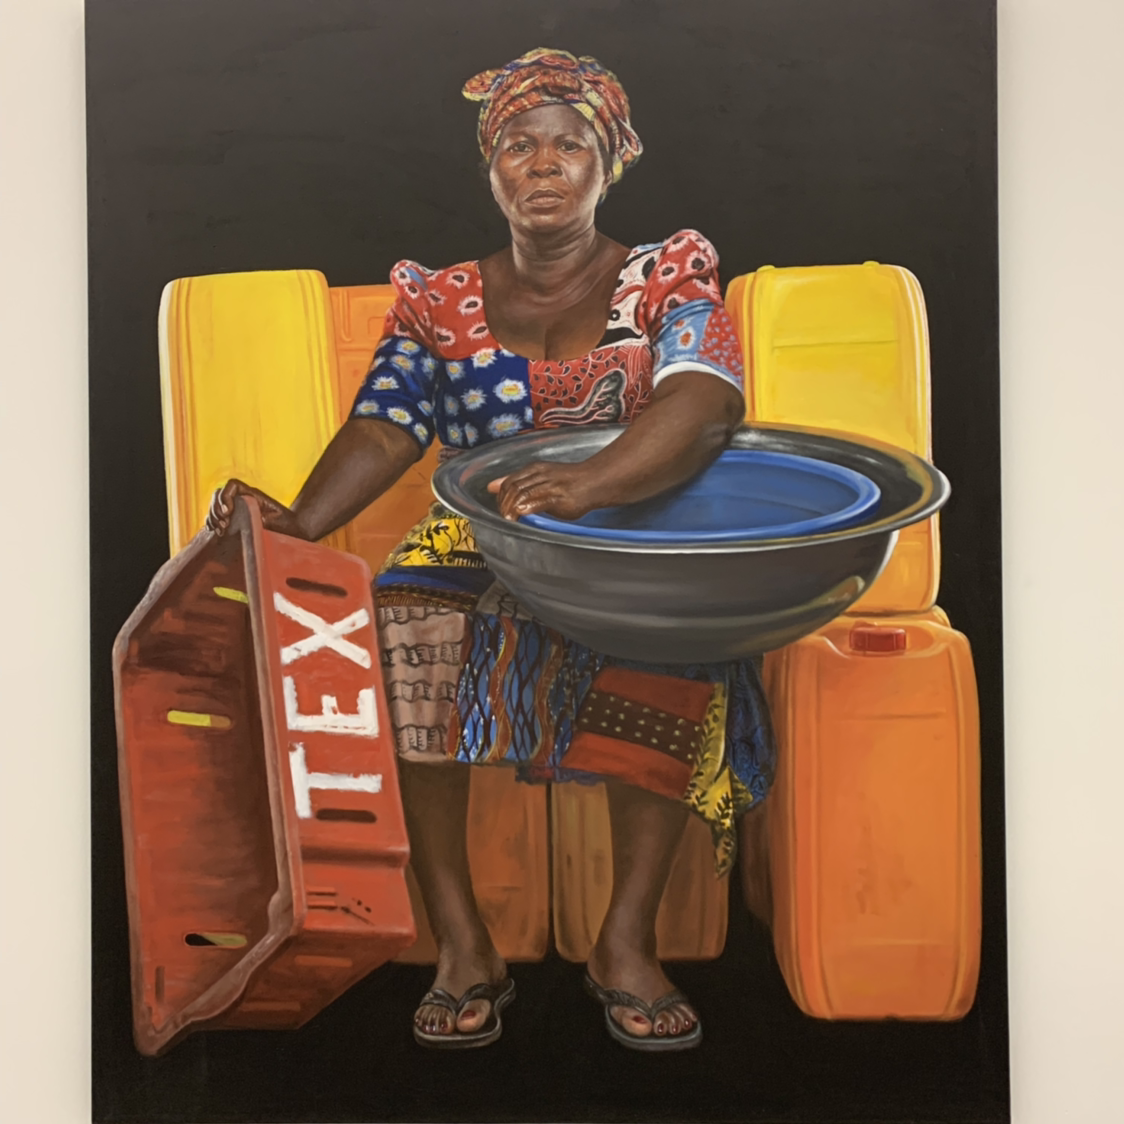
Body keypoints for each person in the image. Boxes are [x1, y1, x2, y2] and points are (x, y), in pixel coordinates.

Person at [209, 47, 775, 1052]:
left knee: (673, 641)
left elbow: (702, 399)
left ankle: (624, 941)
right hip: (475, 535)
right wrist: (296, 522)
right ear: (491, 167)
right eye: (518, 144)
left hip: (632, 528)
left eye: (569, 145)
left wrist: (591, 485)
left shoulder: (662, 277)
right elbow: (387, 424)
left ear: (609, 163)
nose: (543, 163)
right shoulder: (438, 302)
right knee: (401, 624)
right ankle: (463, 944)